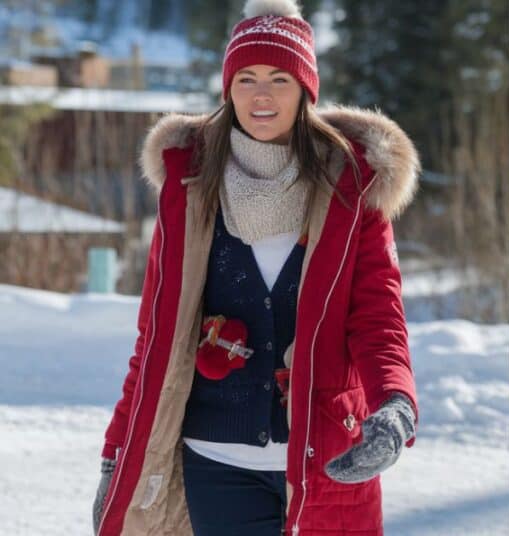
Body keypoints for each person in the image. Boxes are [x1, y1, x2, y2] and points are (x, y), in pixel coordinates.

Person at [91, 1, 419, 534]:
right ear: (228, 89)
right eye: (245, 78)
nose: (261, 95)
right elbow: (156, 339)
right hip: (216, 461)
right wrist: (115, 452)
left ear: (305, 91)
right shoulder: (191, 191)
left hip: (326, 457)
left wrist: (396, 402)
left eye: (278, 79)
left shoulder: (351, 191)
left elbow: (379, 321)